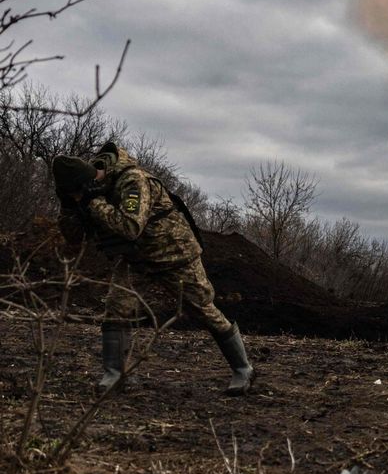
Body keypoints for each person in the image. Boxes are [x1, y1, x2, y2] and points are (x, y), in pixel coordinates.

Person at [52, 142, 255, 396]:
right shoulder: (87, 194)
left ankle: (243, 368)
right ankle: (114, 374)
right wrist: (70, 208)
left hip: (173, 255)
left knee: (203, 309)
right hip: (134, 259)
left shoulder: (132, 181)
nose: (78, 200)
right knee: (116, 308)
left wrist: (93, 203)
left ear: (84, 183)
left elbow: (130, 226)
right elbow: (74, 238)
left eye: (75, 195)